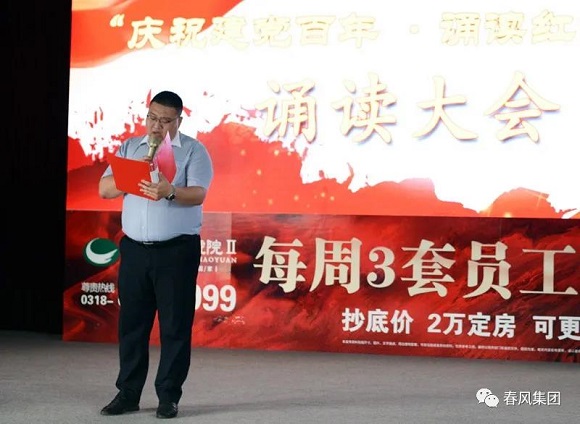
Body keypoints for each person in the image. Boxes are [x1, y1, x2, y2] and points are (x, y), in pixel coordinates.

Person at [98, 90, 213, 419]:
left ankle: (168, 396)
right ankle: (128, 393)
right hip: (135, 250)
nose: (156, 126)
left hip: (176, 251)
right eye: (152, 118)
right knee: (132, 326)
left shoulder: (193, 150)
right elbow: (104, 189)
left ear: (179, 121)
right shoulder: (130, 148)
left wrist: (170, 191)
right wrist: (132, 173)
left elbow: (198, 194)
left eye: (165, 120)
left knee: (175, 326)